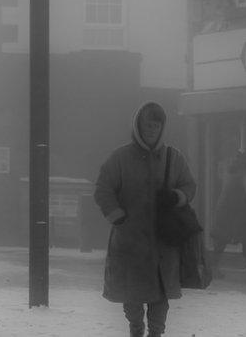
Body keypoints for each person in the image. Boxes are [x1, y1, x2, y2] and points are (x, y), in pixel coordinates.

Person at [94, 102, 197, 337]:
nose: (151, 130)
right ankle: (136, 329)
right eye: (147, 125)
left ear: (162, 128)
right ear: (138, 126)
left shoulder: (174, 157)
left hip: (164, 240)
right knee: (132, 294)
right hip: (131, 240)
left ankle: (156, 333)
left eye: (156, 125)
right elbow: (103, 189)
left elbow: (189, 186)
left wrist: (176, 197)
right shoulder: (120, 158)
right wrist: (117, 215)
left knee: (160, 294)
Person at [210, 149, 246, 278]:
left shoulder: (229, 173)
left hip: (224, 211)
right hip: (239, 214)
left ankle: (213, 268)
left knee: (220, 242)